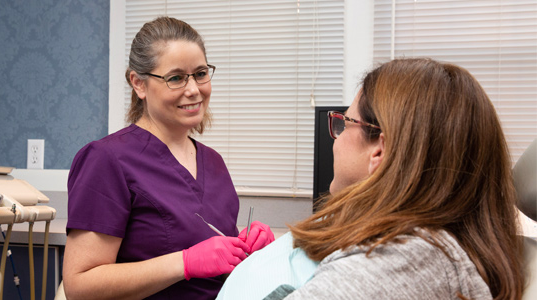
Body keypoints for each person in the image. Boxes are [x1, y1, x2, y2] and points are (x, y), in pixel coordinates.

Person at [218, 58, 525, 300]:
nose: (335, 141)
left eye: (342, 123)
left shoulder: (402, 264)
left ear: (379, 149)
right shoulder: (422, 248)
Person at [62, 16, 274, 300]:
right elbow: (80, 286)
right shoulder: (106, 160)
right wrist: (184, 263)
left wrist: (248, 248)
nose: (193, 89)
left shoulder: (213, 162)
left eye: (200, 73)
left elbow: (209, 248)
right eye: (176, 78)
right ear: (138, 84)